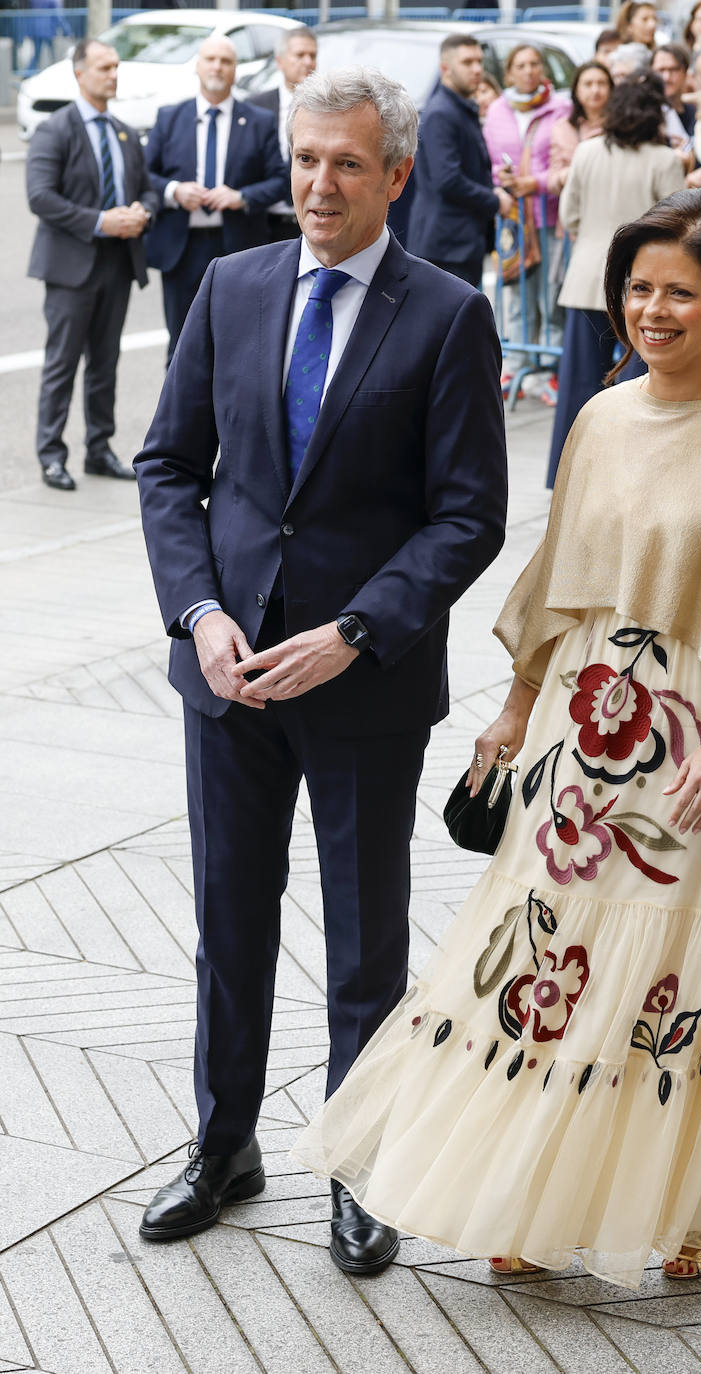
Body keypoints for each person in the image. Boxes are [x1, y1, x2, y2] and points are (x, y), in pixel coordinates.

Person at [291, 186, 701, 1289]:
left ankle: (689, 1202)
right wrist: (515, 706)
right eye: (637, 288)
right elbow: (557, 585)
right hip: (585, 721)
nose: (652, 310)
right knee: (543, 954)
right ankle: (534, 1199)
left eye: (680, 292)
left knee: (675, 963)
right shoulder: (596, 416)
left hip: (696, 733)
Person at [133, 67, 508, 1273]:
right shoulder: (232, 287)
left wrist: (355, 630)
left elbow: (467, 516)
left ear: (396, 175)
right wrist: (198, 614)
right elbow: (168, 467)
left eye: (346, 163)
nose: (317, 184)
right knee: (227, 924)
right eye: (304, 159)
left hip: (361, 680)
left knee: (365, 939)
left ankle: (359, 1164)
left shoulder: (446, 312)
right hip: (228, 676)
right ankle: (223, 1144)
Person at [26, 37, 157, 492]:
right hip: (71, 266)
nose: (113, 74)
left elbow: (146, 187)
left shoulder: (124, 131)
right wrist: (102, 221)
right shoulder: (55, 129)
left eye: (116, 67)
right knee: (62, 363)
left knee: (105, 363)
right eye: (104, 67)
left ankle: (99, 449)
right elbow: (40, 197)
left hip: (118, 264)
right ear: (79, 73)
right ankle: (51, 455)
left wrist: (143, 211)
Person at [545, 77, 684, 487]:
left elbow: (568, 215)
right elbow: (678, 227)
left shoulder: (586, 153)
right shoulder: (664, 160)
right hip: (640, 286)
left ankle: (566, 473)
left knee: (576, 387)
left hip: (588, 277)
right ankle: (630, 473)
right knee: (640, 384)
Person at [144, 36, 287, 364]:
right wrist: (174, 191)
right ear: (197, 65)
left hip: (237, 247)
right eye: (210, 59)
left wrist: (242, 196)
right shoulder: (170, 118)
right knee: (181, 349)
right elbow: (144, 176)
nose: (217, 67)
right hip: (183, 250)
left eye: (226, 61)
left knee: (238, 346)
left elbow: (281, 181)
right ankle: (180, 415)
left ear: (236, 70)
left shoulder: (258, 121)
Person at [483, 44, 571, 397]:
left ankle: (550, 366)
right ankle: (517, 363)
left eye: (535, 64)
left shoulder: (560, 107)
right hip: (513, 219)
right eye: (521, 65)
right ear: (510, 73)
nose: (529, 70)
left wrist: (534, 181)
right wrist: (499, 176)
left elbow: (565, 155)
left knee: (549, 292)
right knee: (516, 289)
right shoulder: (497, 111)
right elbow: (486, 159)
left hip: (548, 213)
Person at [408, 33, 512, 286]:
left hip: (458, 244)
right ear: (446, 68)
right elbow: (448, 180)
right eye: (467, 62)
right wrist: (494, 200)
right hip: (445, 248)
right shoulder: (441, 113)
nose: (477, 69)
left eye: (479, 61)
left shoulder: (459, 107)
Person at [247, 27, 318, 243]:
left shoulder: (326, 111)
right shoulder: (254, 107)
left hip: (310, 223)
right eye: (299, 55)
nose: (307, 62)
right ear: (280, 61)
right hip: (262, 223)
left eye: (312, 56)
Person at [547, 61, 612, 195]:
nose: (595, 90)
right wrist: (564, 176)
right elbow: (552, 182)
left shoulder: (622, 125)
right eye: (588, 84)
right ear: (576, 90)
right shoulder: (563, 128)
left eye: (601, 83)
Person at [653, 43, 697, 137]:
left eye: (673, 69)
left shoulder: (695, 114)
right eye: (661, 70)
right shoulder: (645, 115)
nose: (666, 77)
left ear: (685, 73)